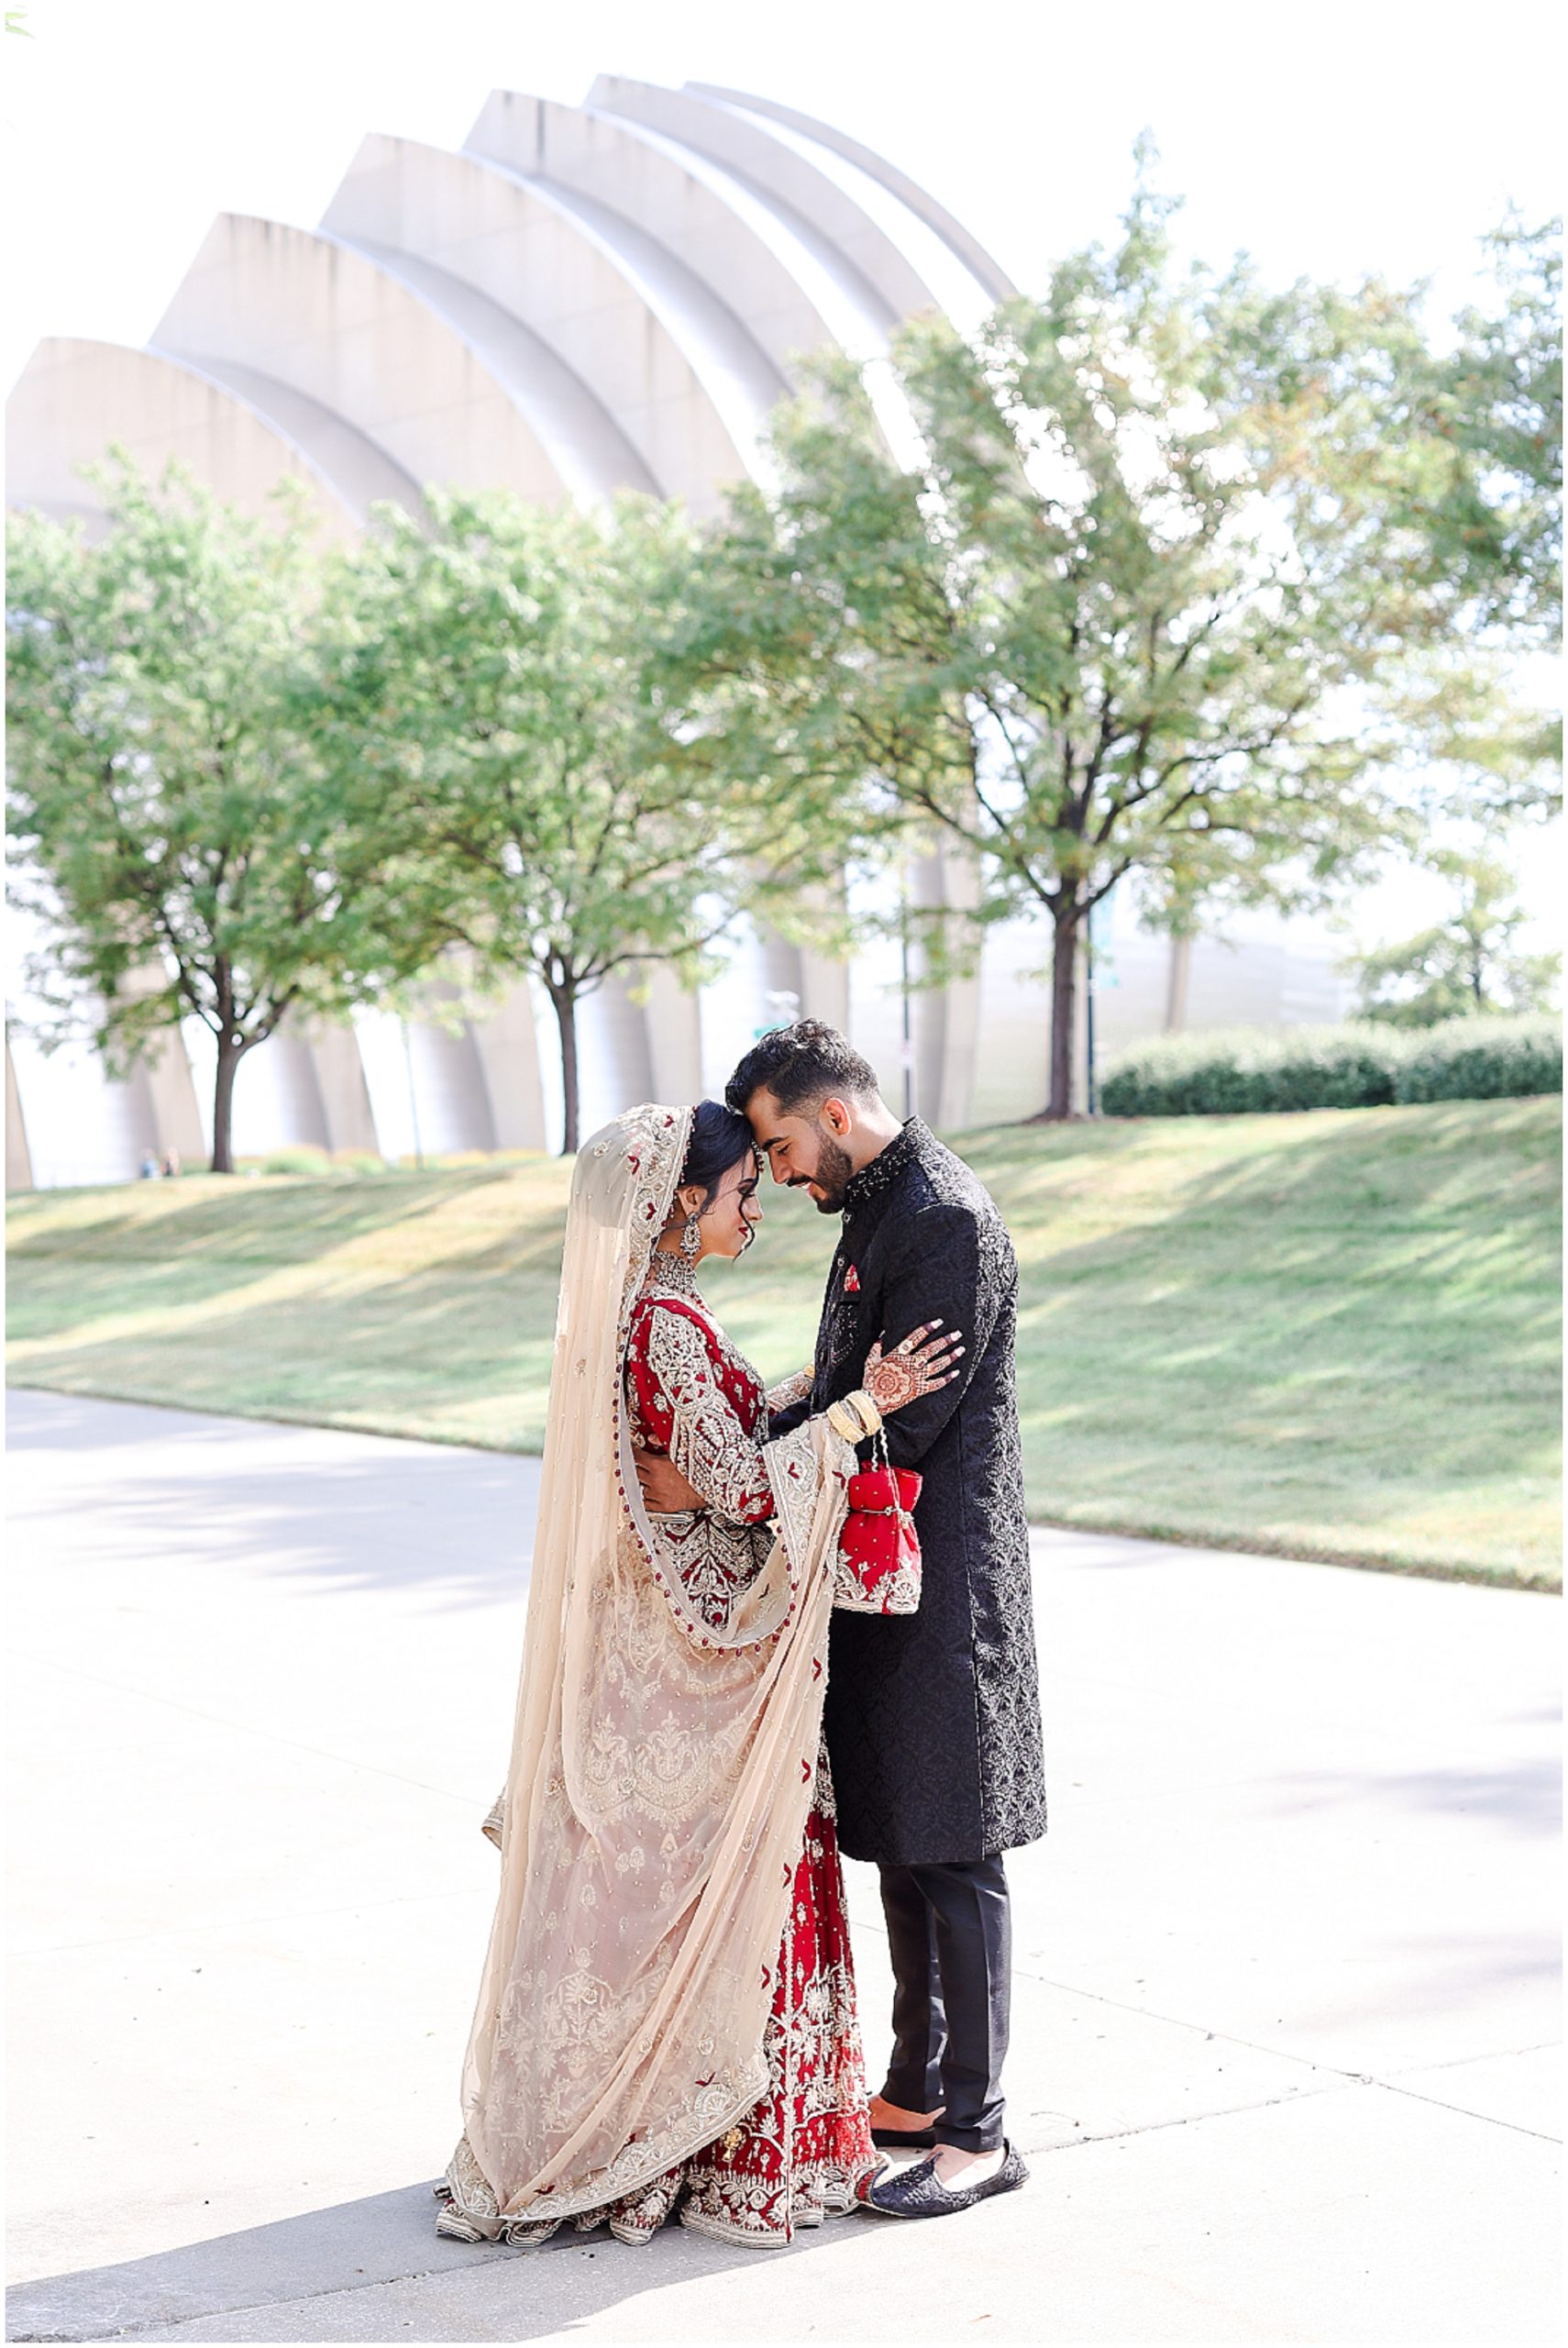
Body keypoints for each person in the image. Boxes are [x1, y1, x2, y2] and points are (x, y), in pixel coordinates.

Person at [435, 1099, 961, 2251]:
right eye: (738, 1189)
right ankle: (716, 2139)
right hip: (705, 1639)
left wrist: (800, 1399)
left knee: (654, 1882)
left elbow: (713, 1451)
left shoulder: (649, 1311)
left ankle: (643, 2118)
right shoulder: (666, 1320)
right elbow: (733, 1484)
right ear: (683, 1199)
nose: (753, 1202)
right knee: (734, 1869)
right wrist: (870, 1403)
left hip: (666, 1621)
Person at [640, 1024, 1046, 2221]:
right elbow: (845, 1388)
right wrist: (756, 1444)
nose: (781, 1175)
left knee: (958, 1859)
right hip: (876, 1580)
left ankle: (978, 2136)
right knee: (908, 1853)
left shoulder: (945, 1222)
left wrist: (760, 1464)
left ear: (829, 1113)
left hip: (945, 1591)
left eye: (780, 1144)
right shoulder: (875, 1214)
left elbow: (906, 1425)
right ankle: (911, 2099)